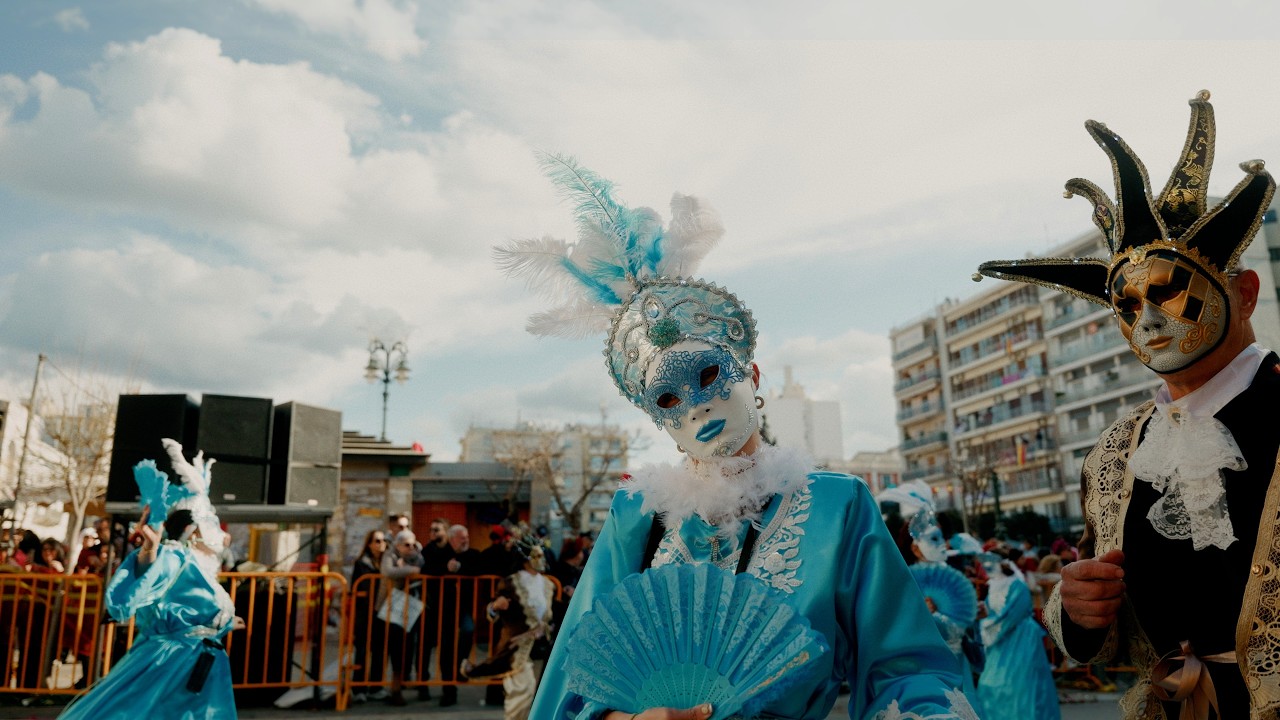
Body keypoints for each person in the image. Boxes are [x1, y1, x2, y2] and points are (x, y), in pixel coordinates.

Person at [501, 154, 973, 720]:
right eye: (669, 399)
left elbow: (905, 667)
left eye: (707, 376)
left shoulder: (835, 505)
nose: (697, 406)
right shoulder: (637, 514)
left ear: (751, 376)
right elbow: (573, 684)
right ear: (661, 423)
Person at [974, 90, 1278, 719]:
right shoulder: (1117, 452)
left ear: (1244, 294)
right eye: (1128, 306)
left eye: (1169, 294)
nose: (1148, 321)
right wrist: (1079, 607)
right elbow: (1096, 622)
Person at [59, 440, 241, 720]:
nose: (221, 534)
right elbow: (149, 575)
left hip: (199, 665)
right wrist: (149, 550)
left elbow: (196, 613)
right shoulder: (175, 557)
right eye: (212, 523)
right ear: (193, 531)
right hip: (169, 665)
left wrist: (225, 622)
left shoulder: (205, 568)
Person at [462, 542, 558, 720]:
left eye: (542, 555)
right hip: (516, 647)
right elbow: (491, 610)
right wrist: (495, 606)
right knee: (522, 690)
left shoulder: (547, 584)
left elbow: (549, 617)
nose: (541, 560)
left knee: (535, 696)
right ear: (525, 560)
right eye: (536, 556)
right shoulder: (511, 582)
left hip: (541, 647)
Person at [974, 553, 1060, 720]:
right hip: (1000, 642)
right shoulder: (993, 586)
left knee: (1022, 685)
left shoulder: (1017, 585)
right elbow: (992, 609)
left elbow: (1014, 613)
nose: (987, 568)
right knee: (990, 684)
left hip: (1021, 638)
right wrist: (981, 612)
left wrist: (987, 624)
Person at [425, 524, 482, 707]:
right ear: (451, 538)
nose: (465, 540)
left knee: (468, 630)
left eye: (466, 537)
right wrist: (445, 568)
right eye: (460, 537)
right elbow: (427, 569)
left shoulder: (472, 554)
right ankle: (449, 690)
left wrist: (460, 568)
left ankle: (460, 665)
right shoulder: (439, 553)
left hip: (464, 608)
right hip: (443, 609)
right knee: (446, 649)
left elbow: (478, 569)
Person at [380, 528, 424, 707]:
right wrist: (411, 570)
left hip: (412, 605)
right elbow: (389, 572)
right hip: (392, 605)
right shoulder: (390, 555)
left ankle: (405, 679)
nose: (411, 547)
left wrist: (405, 568)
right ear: (398, 545)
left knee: (410, 645)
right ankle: (394, 687)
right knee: (395, 647)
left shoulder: (417, 556)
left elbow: (422, 566)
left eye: (413, 544)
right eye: (407, 545)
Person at [350, 529, 391, 703]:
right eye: (377, 541)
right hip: (365, 613)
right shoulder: (362, 563)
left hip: (382, 612)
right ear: (369, 544)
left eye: (383, 541)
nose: (381, 544)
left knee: (380, 651)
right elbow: (361, 586)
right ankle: (358, 688)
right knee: (362, 651)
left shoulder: (387, 563)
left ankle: (376, 686)